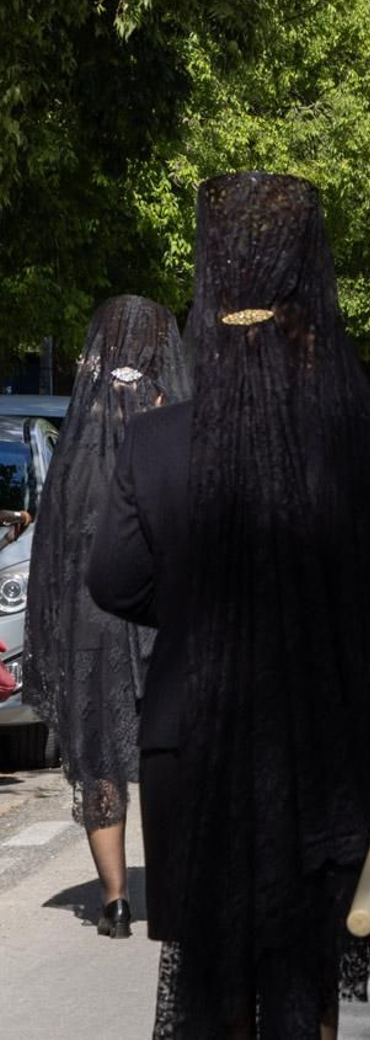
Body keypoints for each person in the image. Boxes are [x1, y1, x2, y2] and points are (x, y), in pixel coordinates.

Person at [87, 171, 370, 1036]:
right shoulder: (350, 438)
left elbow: (112, 580)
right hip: (321, 738)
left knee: (207, 985)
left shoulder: (153, 442)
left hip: (188, 745)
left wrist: (209, 609)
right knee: (302, 986)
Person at [25, 295, 190, 940]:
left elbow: (56, 543)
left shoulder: (79, 430)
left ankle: (116, 900)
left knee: (99, 757)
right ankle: (176, 887)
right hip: (160, 610)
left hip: (90, 618)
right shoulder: (171, 418)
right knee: (167, 747)